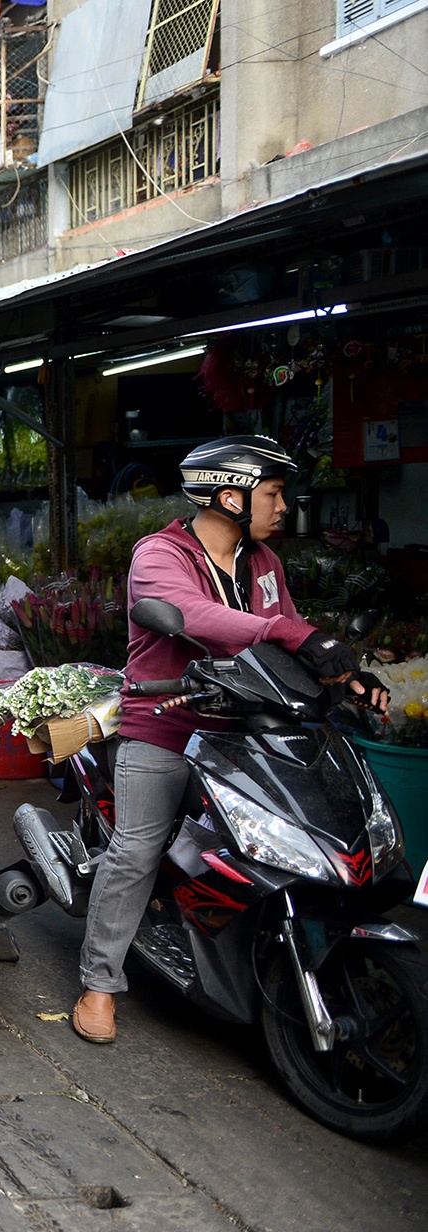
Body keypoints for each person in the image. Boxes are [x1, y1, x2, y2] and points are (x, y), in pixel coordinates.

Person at [70, 435, 389, 1044]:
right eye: (272, 493)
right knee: (138, 847)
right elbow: (190, 614)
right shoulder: (159, 554)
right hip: (165, 726)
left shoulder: (263, 564)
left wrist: (346, 676)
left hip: (245, 729)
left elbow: (288, 633)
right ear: (228, 495)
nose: (284, 507)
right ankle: (100, 982)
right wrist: (292, 634)